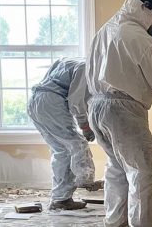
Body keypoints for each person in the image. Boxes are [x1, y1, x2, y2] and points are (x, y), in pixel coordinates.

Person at [86, 0, 152, 227]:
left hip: (97, 106)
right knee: (143, 173)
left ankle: (115, 223)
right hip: (123, 110)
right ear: (145, 9)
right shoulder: (136, 36)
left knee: (117, 170)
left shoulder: (105, 30)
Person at [28, 57, 103, 211]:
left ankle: (60, 198)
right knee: (77, 143)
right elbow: (76, 101)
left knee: (61, 151)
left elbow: (82, 98)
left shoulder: (68, 60)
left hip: (36, 101)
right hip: (52, 102)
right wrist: (85, 125)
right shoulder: (86, 67)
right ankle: (85, 179)